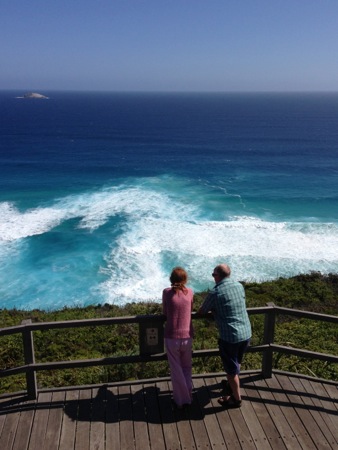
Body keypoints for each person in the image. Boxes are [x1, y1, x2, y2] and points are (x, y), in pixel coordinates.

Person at [198, 264, 251, 408]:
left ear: (218, 276)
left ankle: (236, 398)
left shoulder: (216, 292)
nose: (213, 277)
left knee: (230, 369)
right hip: (246, 332)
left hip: (230, 336)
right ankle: (230, 384)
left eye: (213, 275)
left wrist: (214, 311)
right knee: (236, 362)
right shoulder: (239, 286)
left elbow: (201, 311)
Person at [162, 266, 194, 409]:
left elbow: (165, 311)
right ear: (185, 279)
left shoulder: (167, 292)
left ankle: (181, 400)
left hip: (172, 336)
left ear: (171, 279)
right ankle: (188, 394)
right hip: (187, 336)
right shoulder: (191, 293)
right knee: (186, 366)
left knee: (176, 369)